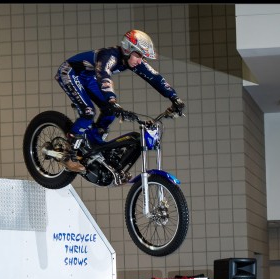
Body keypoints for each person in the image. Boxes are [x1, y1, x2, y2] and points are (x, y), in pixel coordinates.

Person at [54, 29, 185, 172]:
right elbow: (104, 75)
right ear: (128, 49)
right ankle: (68, 155)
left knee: (110, 113)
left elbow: (155, 77)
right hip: (71, 72)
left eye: (142, 56)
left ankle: (93, 142)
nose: (140, 60)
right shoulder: (109, 56)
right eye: (139, 55)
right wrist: (111, 99)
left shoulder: (133, 61)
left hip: (88, 76)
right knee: (88, 112)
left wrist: (174, 97)